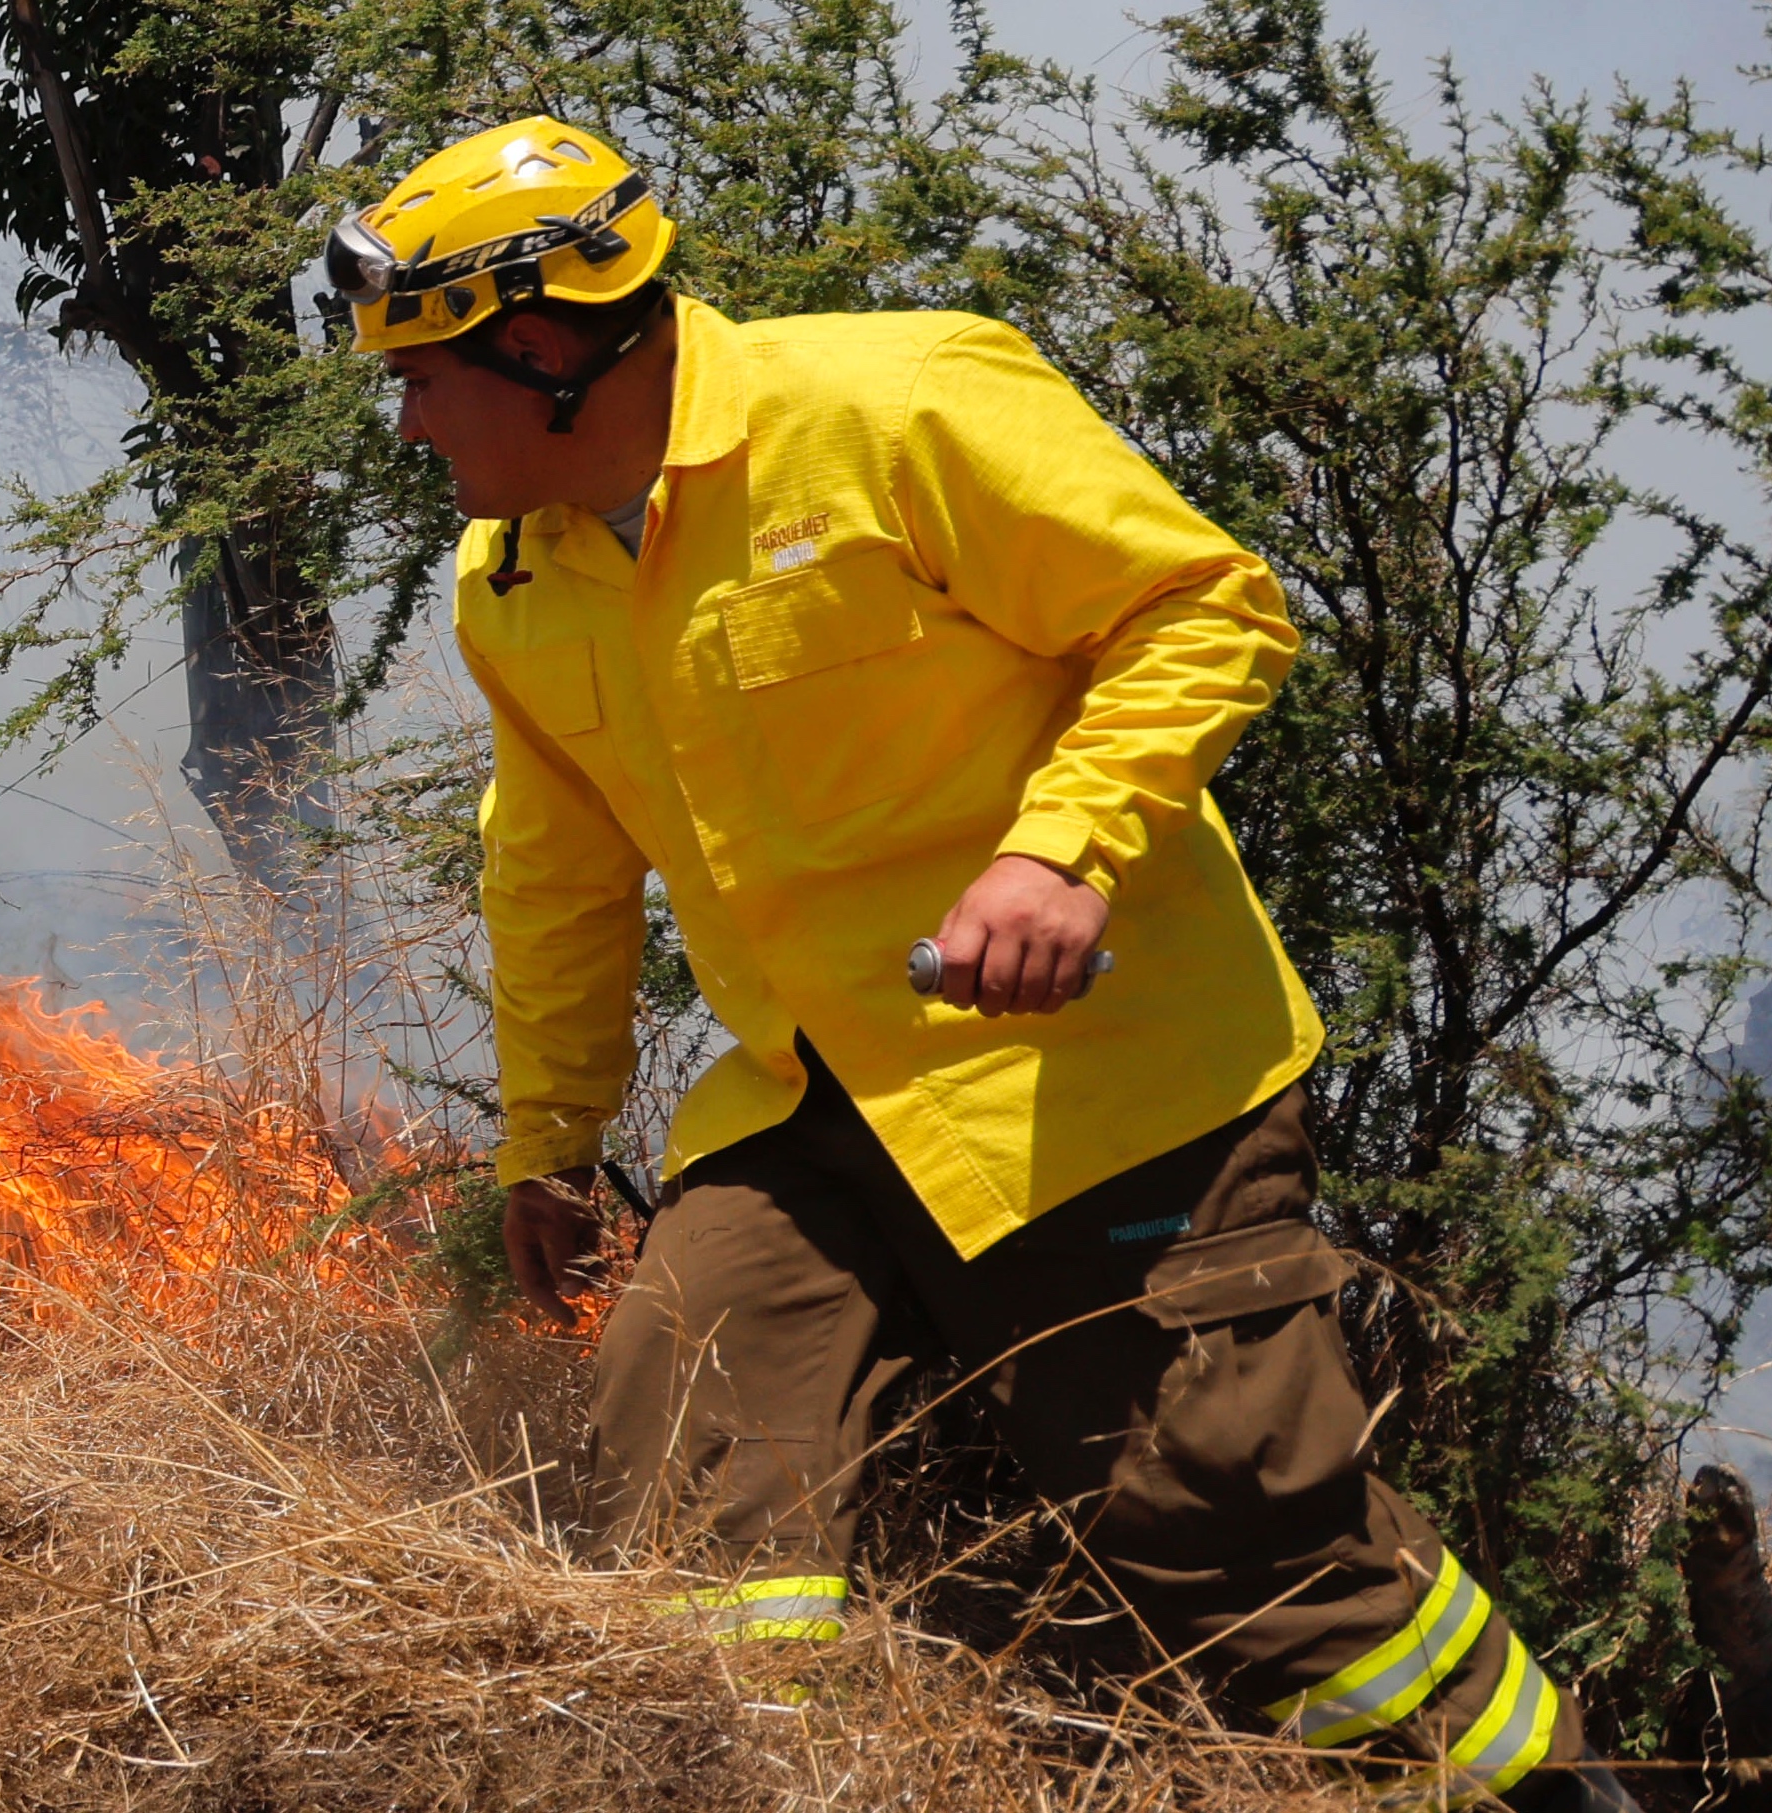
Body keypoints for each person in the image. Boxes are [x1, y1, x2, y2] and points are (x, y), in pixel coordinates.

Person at [325, 116, 1639, 1811]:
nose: (410, 421)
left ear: (548, 346)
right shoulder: (509, 581)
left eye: (426, 378)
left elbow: (1205, 604)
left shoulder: (894, 407)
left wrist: (1059, 848)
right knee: (688, 1439)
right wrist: (549, 1137)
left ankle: (1561, 1790)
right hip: (810, 1102)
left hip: (1106, 1088)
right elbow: (557, 876)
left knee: (1245, 1555)